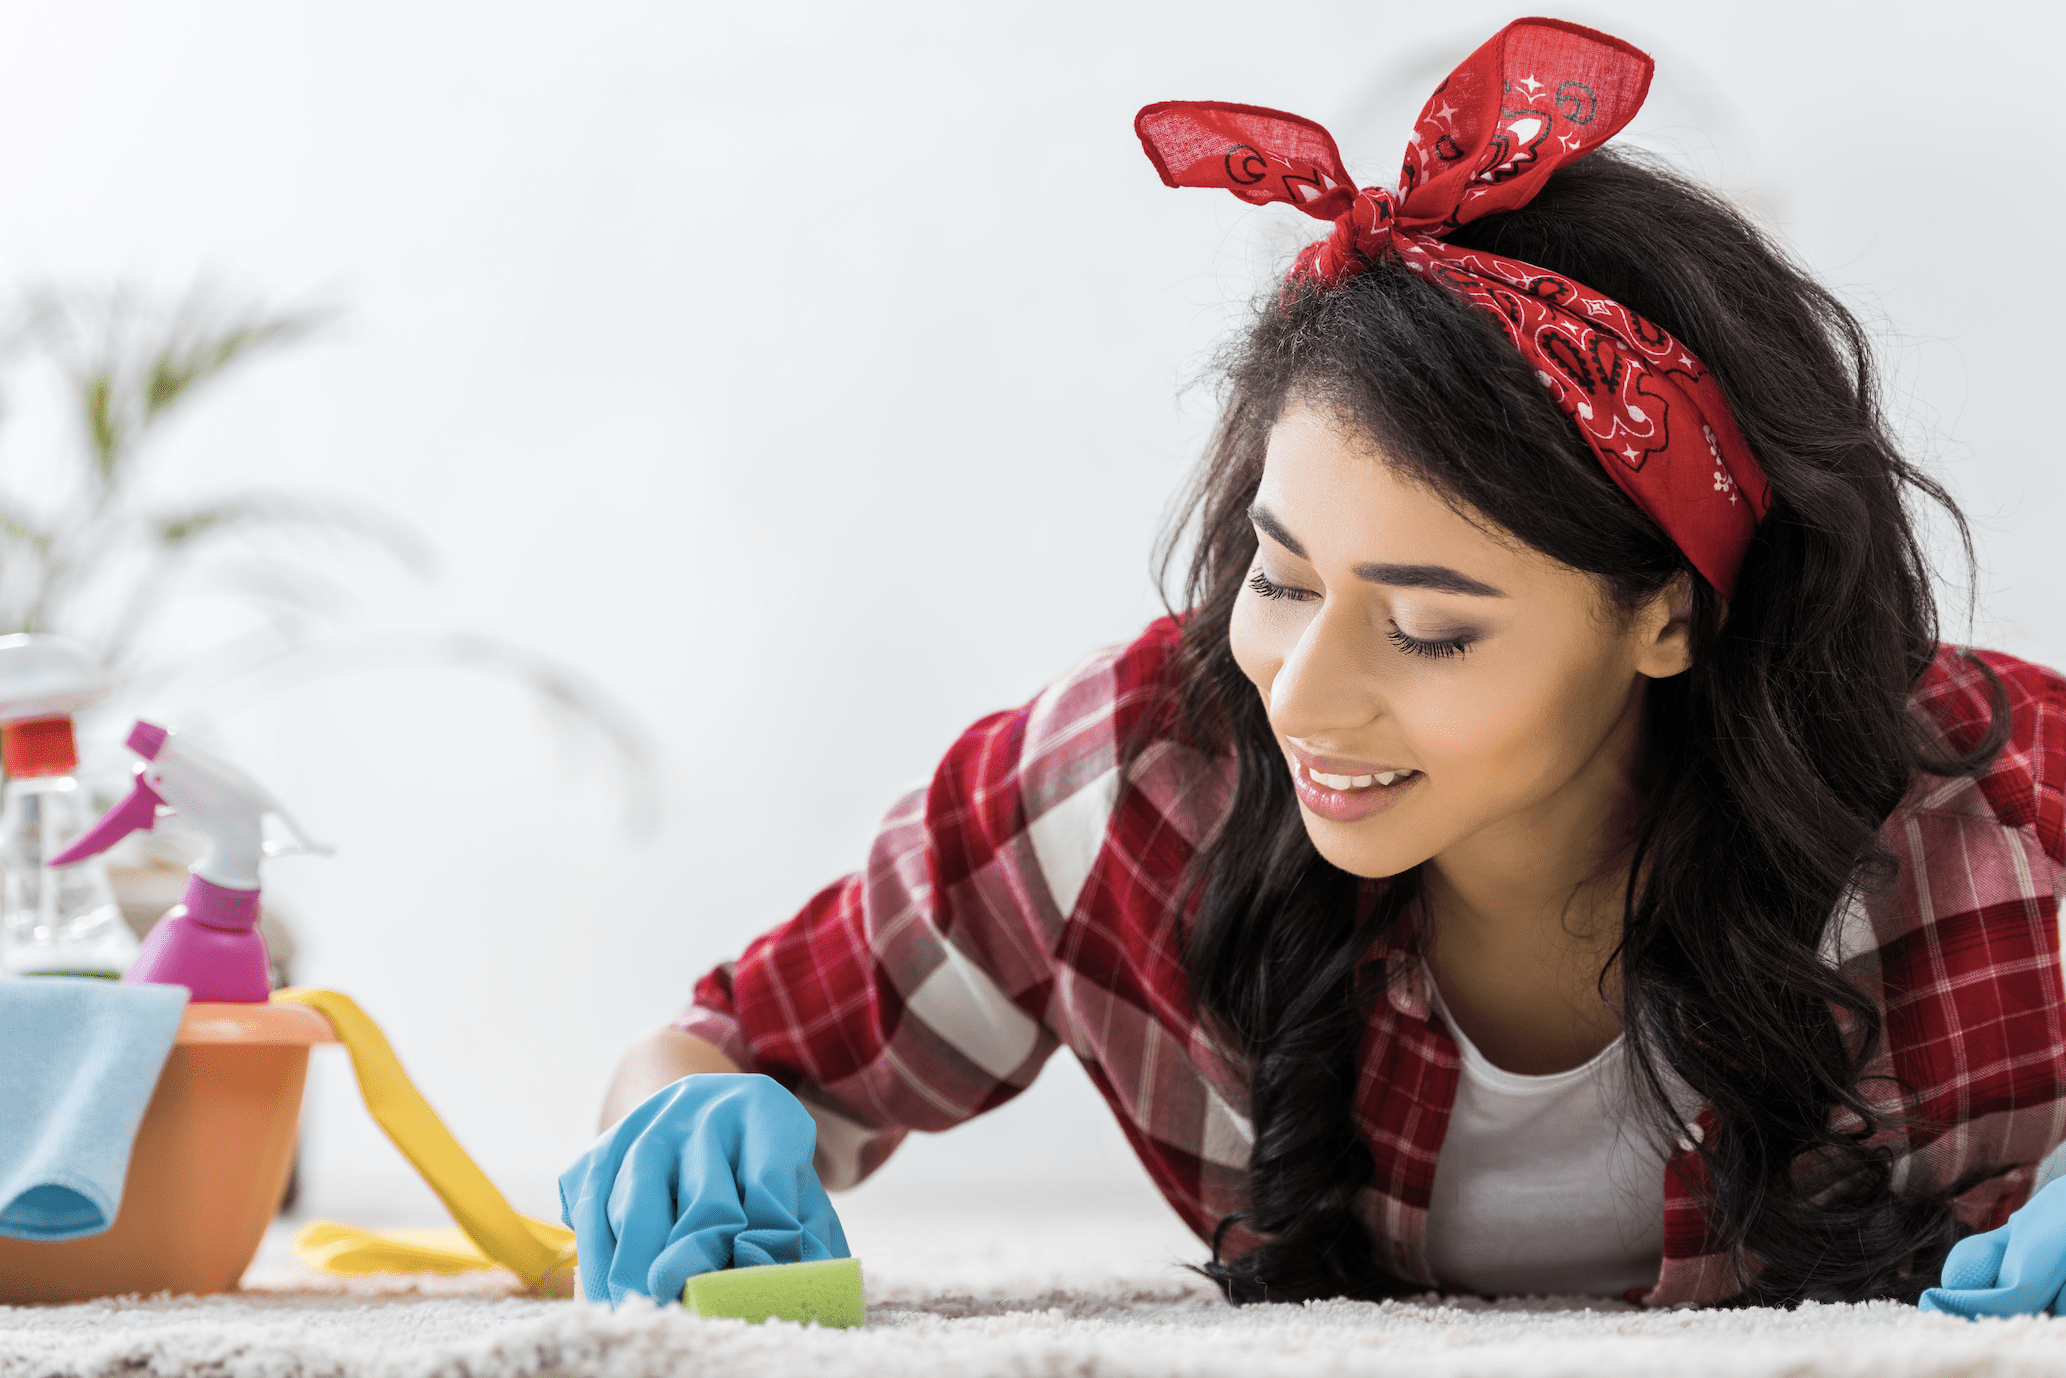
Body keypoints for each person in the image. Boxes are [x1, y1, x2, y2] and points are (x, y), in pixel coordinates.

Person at [558, 18, 2066, 1313]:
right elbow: (737, 1046)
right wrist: (691, 1119)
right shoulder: (1139, 776)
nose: (1302, 692)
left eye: (1428, 626)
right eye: (1281, 579)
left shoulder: (1994, 817)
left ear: (1667, 612)